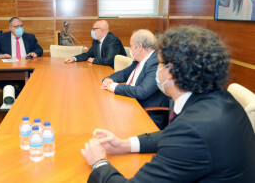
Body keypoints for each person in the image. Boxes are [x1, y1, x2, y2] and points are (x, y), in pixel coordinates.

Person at [81, 25, 255, 182]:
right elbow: (171, 134)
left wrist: (99, 163)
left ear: (170, 71)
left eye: (159, 62)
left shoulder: (192, 131)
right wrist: (126, 144)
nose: (156, 67)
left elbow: (183, 136)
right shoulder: (217, 97)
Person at [101, 29, 170, 129]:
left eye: (131, 46)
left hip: (146, 113)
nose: (130, 49)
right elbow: (125, 73)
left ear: (140, 47)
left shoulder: (156, 62)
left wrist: (113, 86)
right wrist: (109, 79)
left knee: (109, 124)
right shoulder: (140, 59)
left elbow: (142, 92)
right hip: (131, 103)